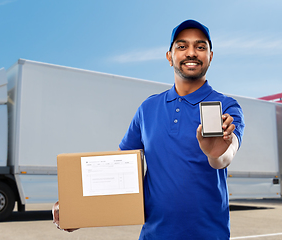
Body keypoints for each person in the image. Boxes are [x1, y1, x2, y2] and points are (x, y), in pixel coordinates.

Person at [53, 19, 245, 239]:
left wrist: (215, 154)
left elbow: (225, 157)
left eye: (200, 47)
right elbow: (120, 169)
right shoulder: (148, 108)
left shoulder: (227, 106)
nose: (191, 52)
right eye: (182, 46)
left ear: (210, 56)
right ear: (169, 57)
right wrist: (79, 210)